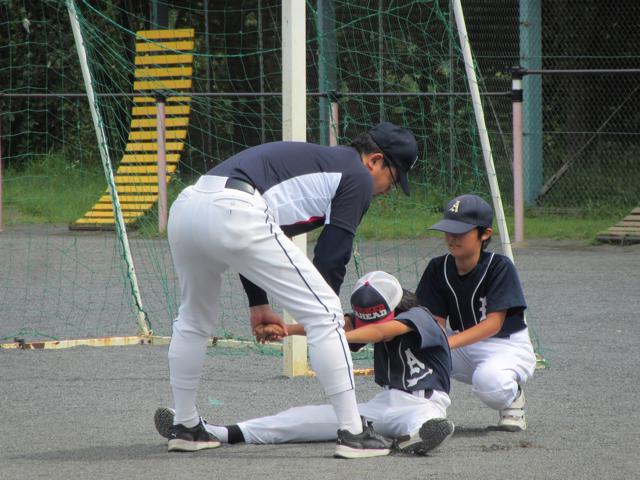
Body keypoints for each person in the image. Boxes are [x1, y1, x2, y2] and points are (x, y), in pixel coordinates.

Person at [163, 122, 418, 458]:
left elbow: (263, 234)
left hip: (188, 206)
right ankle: (354, 433)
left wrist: (259, 304)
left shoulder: (322, 163)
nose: (388, 189)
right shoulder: (356, 175)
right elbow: (332, 255)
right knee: (325, 312)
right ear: (375, 160)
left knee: (194, 319)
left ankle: (185, 426)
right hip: (236, 208)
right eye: (394, 178)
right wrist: (325, 318)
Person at [155, 271, 454, 457]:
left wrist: (335, 336)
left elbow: (380, 331)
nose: (366, 322)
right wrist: (287, 330)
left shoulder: (419, 316)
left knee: (429, 423)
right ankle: (217, 432)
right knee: (302, 418)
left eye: (375, 316)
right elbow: (335, 325)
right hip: (384, 404)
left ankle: (417, 437)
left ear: (394, 305)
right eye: (363, 317)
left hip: (426, 403)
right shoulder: (366, 318)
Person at [416, 194, 536, 431]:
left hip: (505, 346)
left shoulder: (499, 266)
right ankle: (425, 414)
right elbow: (434, 321)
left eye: (460, 231)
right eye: (448, 230)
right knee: (419, 355)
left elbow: (493, 324)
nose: (452, 237)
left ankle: (513, 397)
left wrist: (445, 344)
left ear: (485, 234)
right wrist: (434, 344)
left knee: (490, 383)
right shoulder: (438, 268)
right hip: (462, 343)